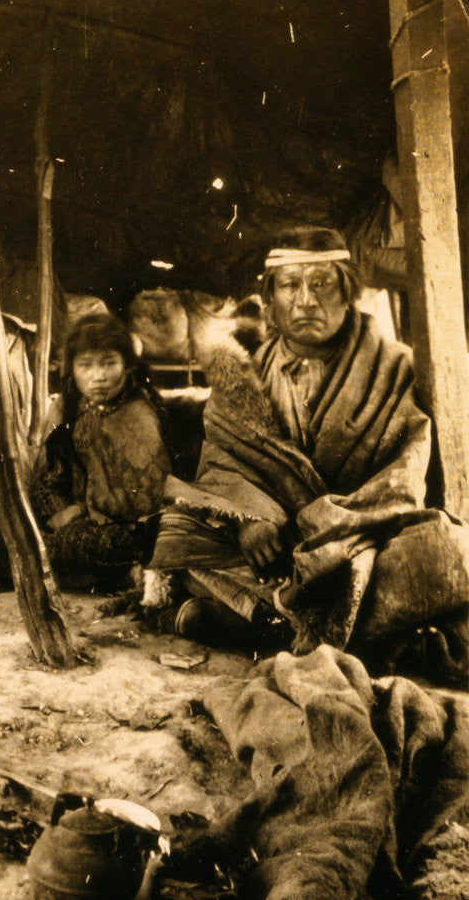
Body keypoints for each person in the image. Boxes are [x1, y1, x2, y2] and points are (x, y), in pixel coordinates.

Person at [148, 226, 469, 681]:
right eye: (289, 285)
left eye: (321, 283)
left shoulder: (394, 367)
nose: (305, 300)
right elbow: (222, 461)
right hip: (275, 551)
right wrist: (248, 519)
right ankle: (344, 634)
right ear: (270, 300)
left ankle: (267, 627)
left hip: (361, 541)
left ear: (348, 292)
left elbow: (404, 477)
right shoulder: (243, 375)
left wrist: (324, 532)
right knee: (180, 534)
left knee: (450, 553)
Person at [30, 313, 173, 590]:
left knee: (90, 546)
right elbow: (49, 477)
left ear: (127, 366)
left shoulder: (139, 412)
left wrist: (80, 511)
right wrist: (62, 512)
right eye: (86, 365)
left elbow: (148, 502)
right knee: (7, 534)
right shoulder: (69, 406)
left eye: (109, 363)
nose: (98, 376)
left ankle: (133, 575)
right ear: (72, 369)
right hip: (78, 520)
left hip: (128, 530)